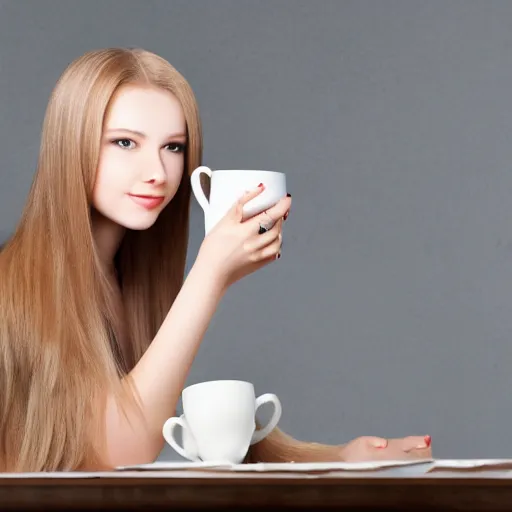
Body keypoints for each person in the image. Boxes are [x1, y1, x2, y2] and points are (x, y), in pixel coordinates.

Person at [0, 47, 432, 472]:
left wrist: (335, 458)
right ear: (68, 146)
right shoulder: (13, 292)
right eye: (125, 142)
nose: (158, 171)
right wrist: (210, 274)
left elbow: (139, 428)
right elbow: (115, 451)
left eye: (173, 147)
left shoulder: (124, 283)